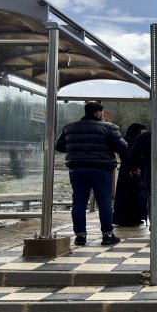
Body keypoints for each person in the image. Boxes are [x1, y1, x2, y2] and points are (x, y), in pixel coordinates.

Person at [55, 102, 127, 246]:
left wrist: (76, 151)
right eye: (102, 112)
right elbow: (123, 147)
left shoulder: (69, 127)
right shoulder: (109, 127)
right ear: (98, 113)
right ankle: (107, 235)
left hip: (77, 169)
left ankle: (80, 237)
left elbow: (59, 146)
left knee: (79, 202)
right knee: (105, 202)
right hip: (101, 169)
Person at [113, 122, 148, 226]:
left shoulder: (130, 140)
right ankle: (127, 218)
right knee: (129, 195)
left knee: (133, 195)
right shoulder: (129, 141)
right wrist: (134, 168)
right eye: (142, 130)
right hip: (130, 171)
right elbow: (126, 155)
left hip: (130, 170)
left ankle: (134, 217)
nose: (144, 132)